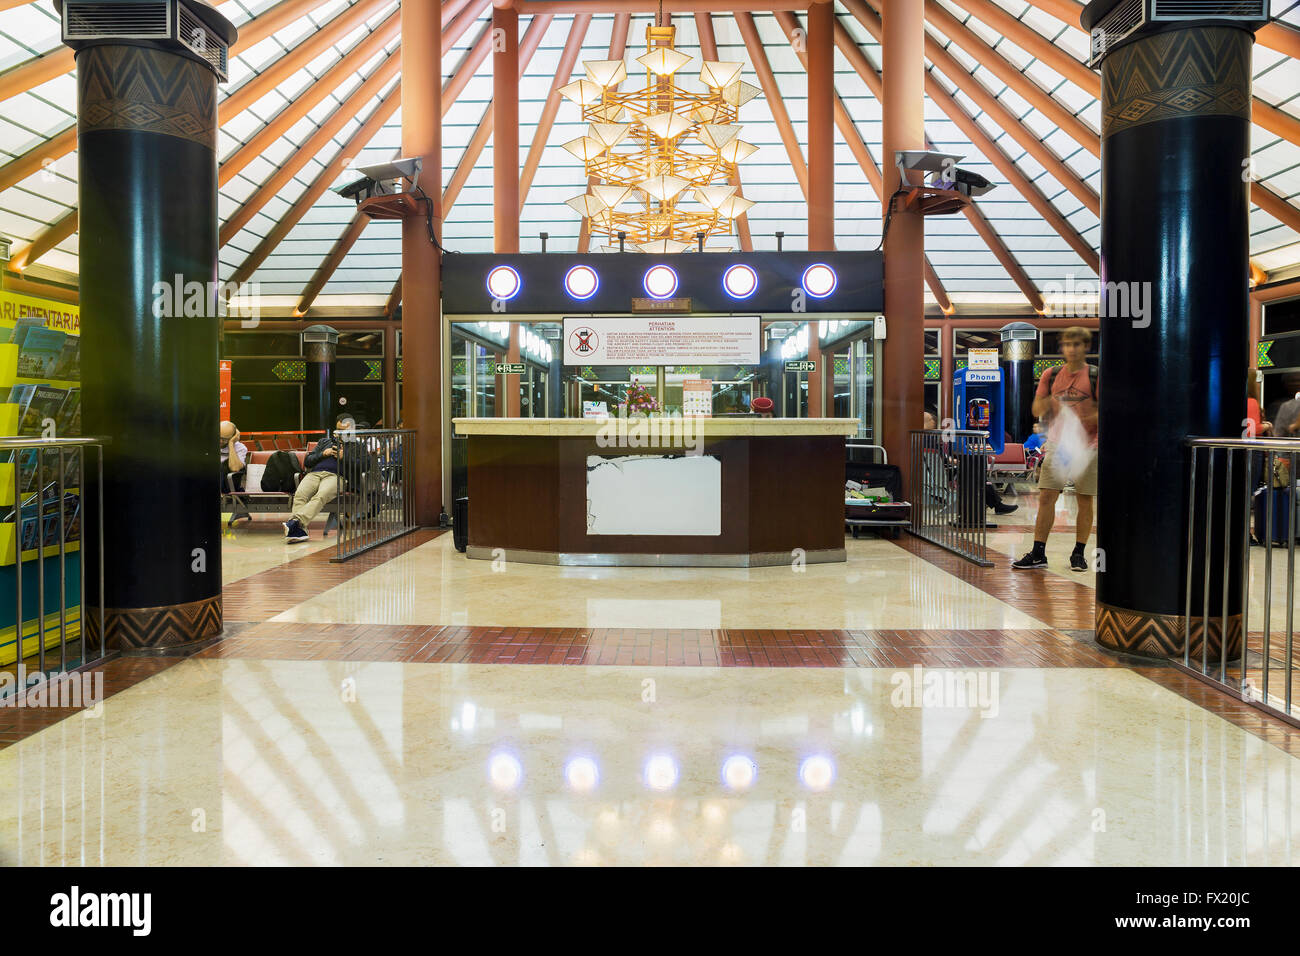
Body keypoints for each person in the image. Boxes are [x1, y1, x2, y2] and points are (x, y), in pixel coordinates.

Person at [1013, 327, 1098, 571]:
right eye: (1068, 344)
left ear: (1086, 347)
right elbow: (1036, 410)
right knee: (1047, 496)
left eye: (1077, 345)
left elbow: (1103, 412)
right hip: (1058, 444)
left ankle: (1078, 553)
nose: (1072, 349)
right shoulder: (1051, 375)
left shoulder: (1094, 375)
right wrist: (1050, 402)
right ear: (1062, 347)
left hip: (1088, 446)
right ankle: (1039, 552)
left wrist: (1088, 413)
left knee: (1084, 499)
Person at [284, 415, 354, 543]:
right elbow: (307, 461)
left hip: (336, 476)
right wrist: (323, 454)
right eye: (338, 430)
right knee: (300, 495)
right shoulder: (324, 442)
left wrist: (344, 457)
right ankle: (299, 531)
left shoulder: (356, 446)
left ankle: (295, 522)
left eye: (343, 431)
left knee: (321, 495)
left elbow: (363, 466)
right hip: (314, 474)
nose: (339, 434)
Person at [220, 420, 251, 524]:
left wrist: (231, 445)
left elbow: (235, 468)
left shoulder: (240, 448)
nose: (220, 441)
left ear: (232, 437)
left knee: (224, 466)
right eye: (218, 437)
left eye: (224, 439)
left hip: (228, 483)